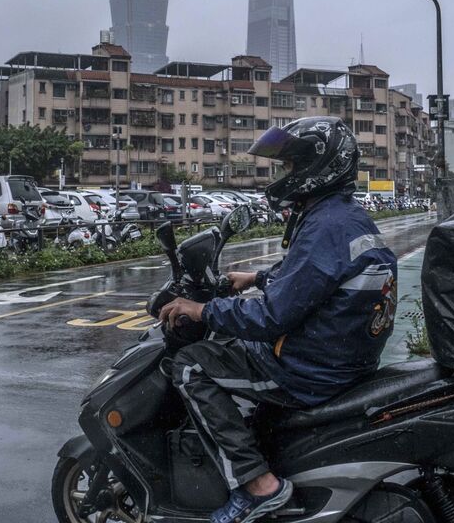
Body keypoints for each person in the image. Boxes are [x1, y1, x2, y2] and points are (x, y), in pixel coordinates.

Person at [157, 116, 400, 523]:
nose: (286, 173)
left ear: (317, 166)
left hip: (309, 369)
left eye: (291, 164)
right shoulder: (343, 217)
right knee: (232, 353)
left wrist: (202, 309)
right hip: (341, 359)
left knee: (190, 364)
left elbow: (272, 316)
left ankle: (259, 487)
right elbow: (316, 278)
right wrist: (256, 277)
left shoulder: (325, 225)